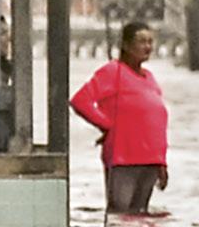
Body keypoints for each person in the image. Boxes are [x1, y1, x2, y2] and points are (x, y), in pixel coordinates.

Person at [69, 21, 170, 215]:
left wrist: (162, 162)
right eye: (142, 41)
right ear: (126, 45)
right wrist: (107, 125)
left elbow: (156, 120)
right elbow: (80, 101)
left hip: (151, 160)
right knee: (120, 213)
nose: (147, 47)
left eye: (150, 42)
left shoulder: (149, 77)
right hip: (123, 157)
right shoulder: (112, 72)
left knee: (141, 216)